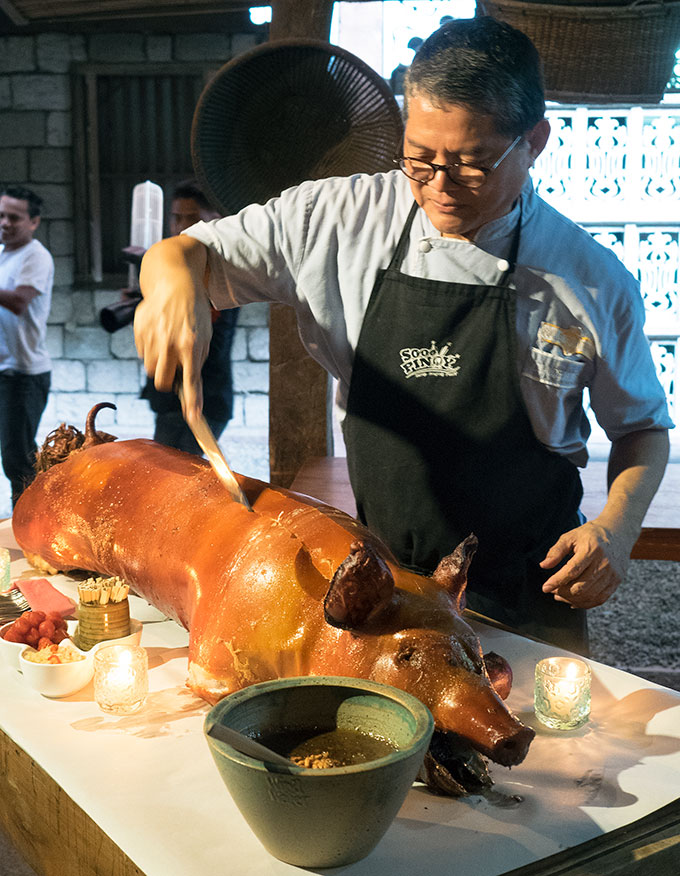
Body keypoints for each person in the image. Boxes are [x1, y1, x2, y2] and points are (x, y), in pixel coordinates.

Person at [134, 18, 672, 655]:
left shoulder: (589, 278)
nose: (439, 188)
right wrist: (171, 283)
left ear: (534, 142)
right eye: (419, 159)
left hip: (528, 589)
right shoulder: (334, 219)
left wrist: (615, 528)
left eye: (471, 165)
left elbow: (641, 428)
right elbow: (184, 252)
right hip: (383, 582)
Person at [140, 179, 238, 454]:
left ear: (214, 220)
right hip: (169, 398)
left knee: (181, 478)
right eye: (176, 218)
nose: (181, 227)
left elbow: (210, 342)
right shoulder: (170, 271)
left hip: (206, 398)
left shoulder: (219, 276)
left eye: (192, 218)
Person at [0, 186, 53, 507]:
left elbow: (19, 301)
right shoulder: (2, 253)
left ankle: (32, 532)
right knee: (13, 454)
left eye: (14, 218)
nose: (5, 223)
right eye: (1, 215)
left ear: (33, 222)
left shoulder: (36, 256)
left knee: (18, 459)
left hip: (23, 375)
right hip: (4, 370)